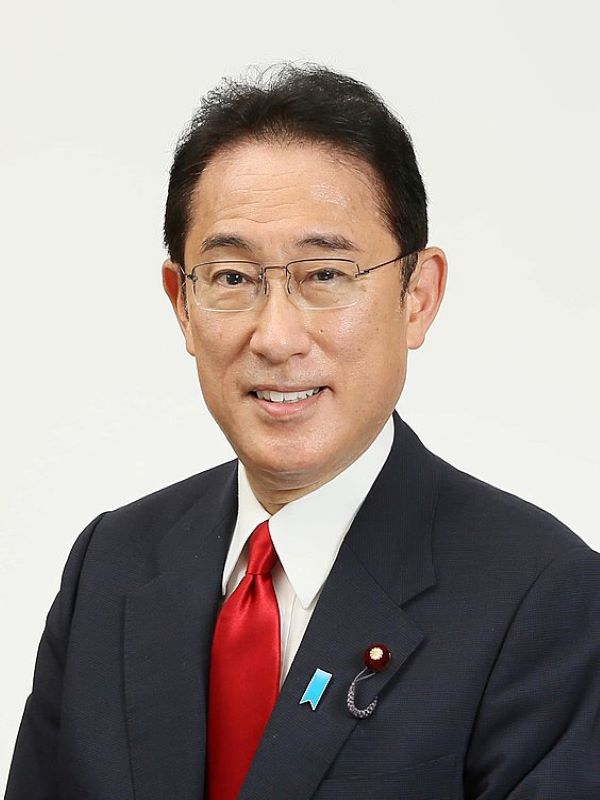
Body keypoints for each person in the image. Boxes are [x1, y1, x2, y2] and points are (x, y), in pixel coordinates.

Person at [5, 63, 599, 800]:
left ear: (418, 296)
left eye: (325, 276)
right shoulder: (112, 565)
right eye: (232, 278)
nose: (277, 337)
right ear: (181, 303)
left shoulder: (542, 597)